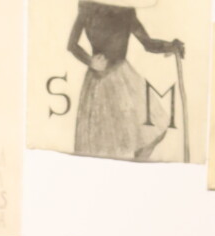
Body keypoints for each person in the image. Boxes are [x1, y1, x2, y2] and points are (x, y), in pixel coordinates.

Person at [67, 1, 185, 160]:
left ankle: (135, 169)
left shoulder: (126, 11)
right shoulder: (88, 6)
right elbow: (72, 45)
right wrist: (90, 61)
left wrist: (170, 46)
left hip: (124, 77)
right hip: (98, 82)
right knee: (99, 146)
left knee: (155, 129)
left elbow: (148, 44)